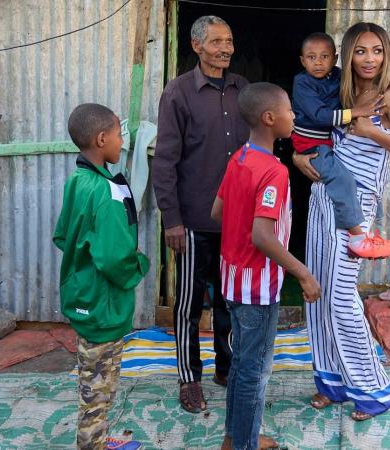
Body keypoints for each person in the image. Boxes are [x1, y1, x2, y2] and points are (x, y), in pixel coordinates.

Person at [293, 22, 390, 421]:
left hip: (356, 207)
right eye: (362, 51)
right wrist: (299, 160)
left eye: (378, 50)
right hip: (321, 199)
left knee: (341, 296)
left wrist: (372, 130)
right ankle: (332, 383)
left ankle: (373, 390)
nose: (370, 59)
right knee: (316, 294)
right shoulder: (340, 92)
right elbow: (311, 133)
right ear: (347, 55)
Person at [212, 82, 321, 450]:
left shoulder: (239, 158)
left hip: (232, 279)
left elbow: (218, 212)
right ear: (270, 118)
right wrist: (303, 273)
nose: (295, 116)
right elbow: (262, 236)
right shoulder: (274, 171)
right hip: (257, 288)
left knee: (242, 365)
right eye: (290, 110)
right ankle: (243, 443)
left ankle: (236, 437)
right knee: (255, 372)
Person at [152, 15, 250, 413]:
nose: (225, 48)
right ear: (196, 46)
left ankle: (225, 368)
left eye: (228, 40)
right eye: (216, 42)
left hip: (237, 222)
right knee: (189, 306)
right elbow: (165, 162)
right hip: (193, 221)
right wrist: (171, 219)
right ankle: (189, 378)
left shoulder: (243, 88)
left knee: (230, 301)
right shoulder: (178, 93)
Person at [53, 103, 150, 450]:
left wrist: (83, 264)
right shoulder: (104, 192)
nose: (122, 143)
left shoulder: (78, 180)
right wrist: (139, 265)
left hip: (85, 296)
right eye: (119, 135)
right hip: (104, 304)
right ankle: (92, 443)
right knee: (99, 387)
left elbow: (63, 236)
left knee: (94, 379)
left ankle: (97, 436)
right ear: (101, 138)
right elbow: (113, 258)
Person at [292, 32, 390, 258]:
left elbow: (359, 84)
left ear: (335, 58)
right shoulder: (302, 82)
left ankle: (365, 232)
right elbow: (319, 116)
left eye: (324, 56)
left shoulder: (339, 77)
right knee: (343, 179)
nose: (318, 62)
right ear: (302, 61)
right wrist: (356, 112)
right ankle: (358, 237)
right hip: (311, 144)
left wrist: (385, 85)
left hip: (327, 143)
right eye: (311, 57)